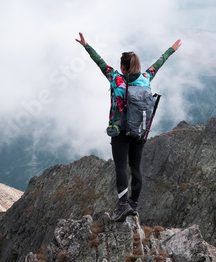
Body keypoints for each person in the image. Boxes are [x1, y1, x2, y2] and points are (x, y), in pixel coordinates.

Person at [75, 32, 182, 222]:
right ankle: (134, 204)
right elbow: (159, 62)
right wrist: (171, 49)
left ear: (122, 66)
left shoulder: (116, 79)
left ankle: (123, 206)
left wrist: (86, 46)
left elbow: (100, 63)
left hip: (120, 131)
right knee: (136, 167)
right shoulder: (147, 77)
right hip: (140, 131)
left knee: (121, 168)